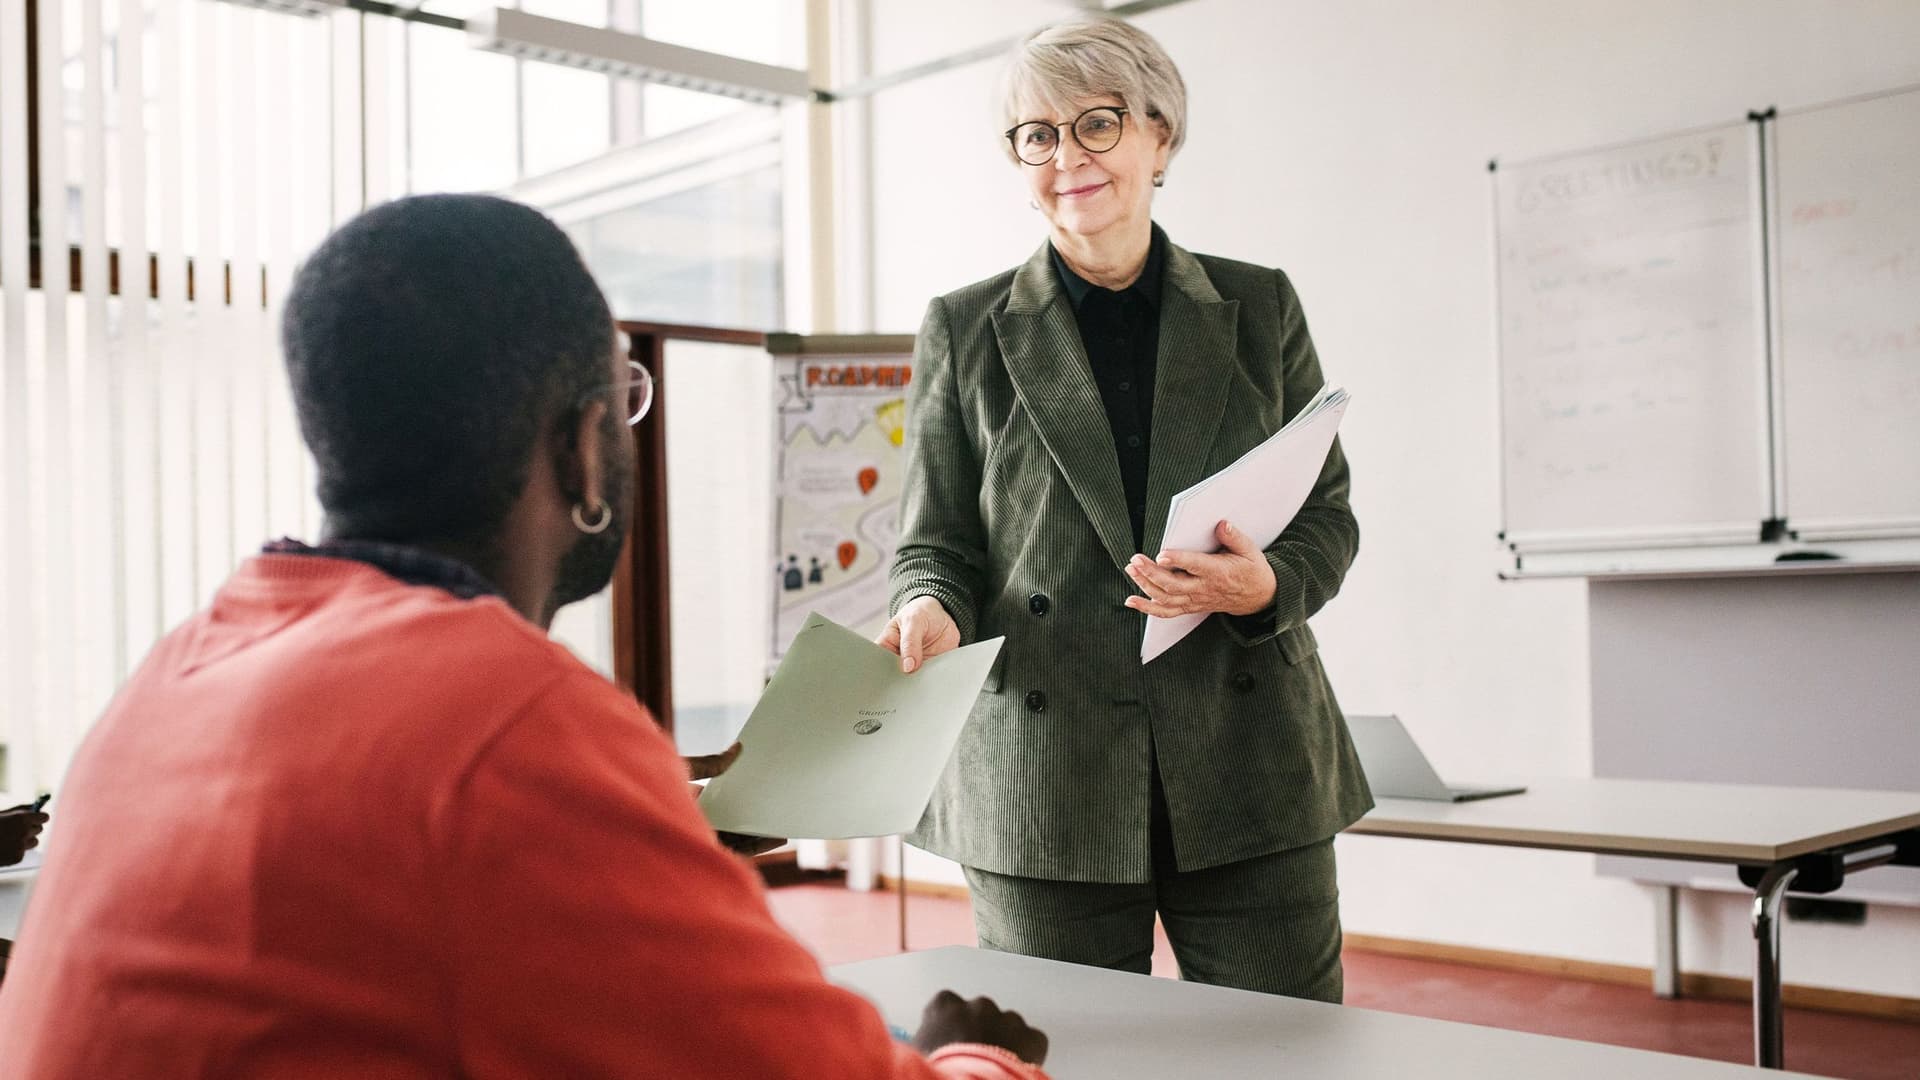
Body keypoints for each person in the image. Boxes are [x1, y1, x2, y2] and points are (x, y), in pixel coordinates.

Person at [0, 194, 1048, 1079]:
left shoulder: (174, 675)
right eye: (624, 403)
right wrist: (966, 1055)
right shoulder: (508, 724)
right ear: (586, 450)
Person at [879, 16, 1370, 1001]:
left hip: (1248, 759)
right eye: (1037, 134)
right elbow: (936, 543)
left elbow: (1328, 514)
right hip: (1042, 773)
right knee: (1069, 1056)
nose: (1067, 156)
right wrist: (930, 604)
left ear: (1160, 137)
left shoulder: (1259, 307)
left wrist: (1265, 580)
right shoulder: (965, 328)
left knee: (1286, 1059)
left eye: (1097, 124)